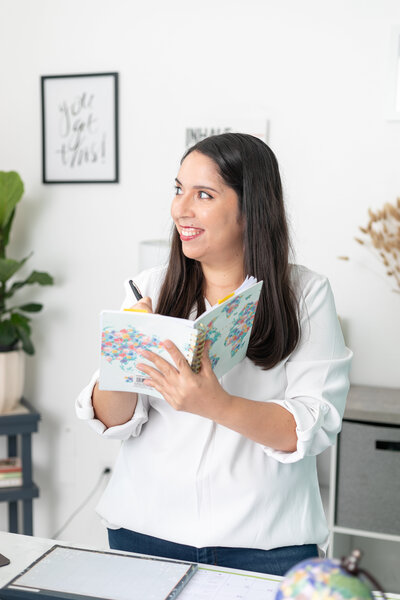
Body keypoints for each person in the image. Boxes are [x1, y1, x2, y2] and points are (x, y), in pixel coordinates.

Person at [76, 133, 352, 576]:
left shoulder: (306, 294)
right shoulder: (151, 286)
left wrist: (215, 404)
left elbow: (312, 425)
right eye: (178, 189)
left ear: (251, 209)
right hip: (144, 534)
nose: (181, 208)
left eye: (203, 194)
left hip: (264, 545)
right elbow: (111, 420)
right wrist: (126, 351)